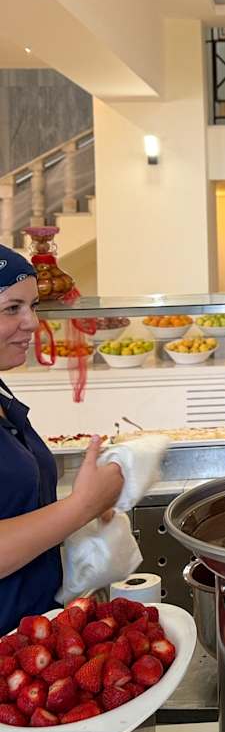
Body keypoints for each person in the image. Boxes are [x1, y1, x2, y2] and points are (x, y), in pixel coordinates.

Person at [0, 245, 123, 634]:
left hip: (32, 635)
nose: (33, 323)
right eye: (12, 308)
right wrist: (81, 506)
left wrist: (85, 511)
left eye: (33, 306)